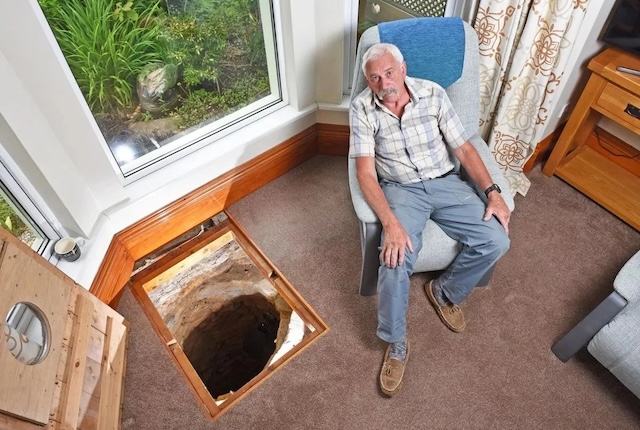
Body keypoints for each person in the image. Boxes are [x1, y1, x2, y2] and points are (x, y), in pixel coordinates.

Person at [349, 43, 511, 397]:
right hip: (401, 190)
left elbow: (465, 148)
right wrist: (390, 223)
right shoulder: (362, 108)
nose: (383, 83)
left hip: (445, 183)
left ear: (403, 69)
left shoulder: (433, 94)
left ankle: (444, 290)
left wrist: (493, 193)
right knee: (395, 257)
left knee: (497, 240)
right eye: (375, 77)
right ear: (368, 80)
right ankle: (396, 341)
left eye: (389, 73)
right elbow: (365, 173)